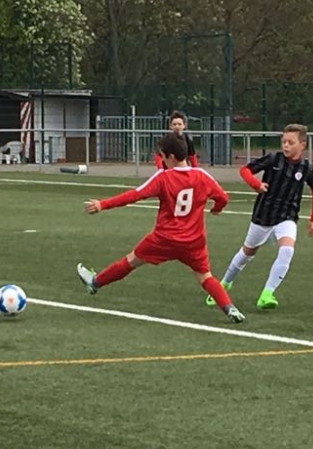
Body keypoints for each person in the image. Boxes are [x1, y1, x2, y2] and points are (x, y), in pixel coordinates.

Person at [77, 132, 245, 323]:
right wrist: (216, 209)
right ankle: (229, 308)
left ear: (171, 157)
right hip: (193, 241)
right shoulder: (201, 176)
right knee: (205, 276)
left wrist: (103, 204)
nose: (162, 160)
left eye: (162, 156)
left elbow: (135, 195)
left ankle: (95, 282)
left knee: (131, 261)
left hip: (164, 239)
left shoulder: (164, 177)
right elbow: (223, 198)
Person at [206, 123, 313, 309]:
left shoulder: (306, 168)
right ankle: (225, 283)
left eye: (290, 142)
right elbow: (245, 170)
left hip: (287, 217)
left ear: (302, 145)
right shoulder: (274, 159)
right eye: (284, 141)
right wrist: (256, 184)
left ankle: (267, 294)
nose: (286, 145)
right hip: (263, 216)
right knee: (247, 253)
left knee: (287, 250)